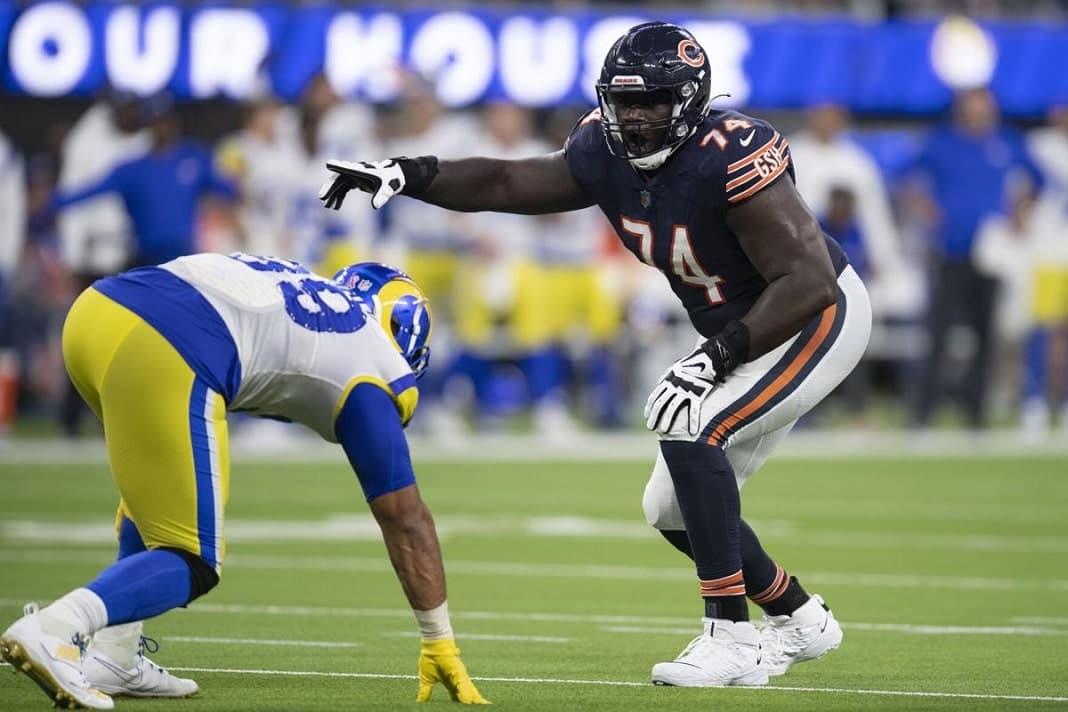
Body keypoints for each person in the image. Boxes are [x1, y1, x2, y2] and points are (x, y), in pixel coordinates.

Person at [319, 21, 872, 688]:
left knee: (689, 423)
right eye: (624, 102)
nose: (635, 118)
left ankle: (730, 635)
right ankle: (799, 617)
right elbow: (506, 183)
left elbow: (808, 281)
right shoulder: (602, 151)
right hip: (743, 328)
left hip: (812, 317)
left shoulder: (729, 154)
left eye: (652, 102)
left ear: (690, 100)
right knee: (669, 509)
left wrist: (715, 356)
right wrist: (411, 173)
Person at [0, 253, 490, 708]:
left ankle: (115, 654)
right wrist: (438, 639)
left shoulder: (304, 290)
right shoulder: (371, 359)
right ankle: (57, 627)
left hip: (95, 314)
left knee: (158, 502)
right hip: (165, 342)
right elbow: (405, 518)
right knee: (191, 558)